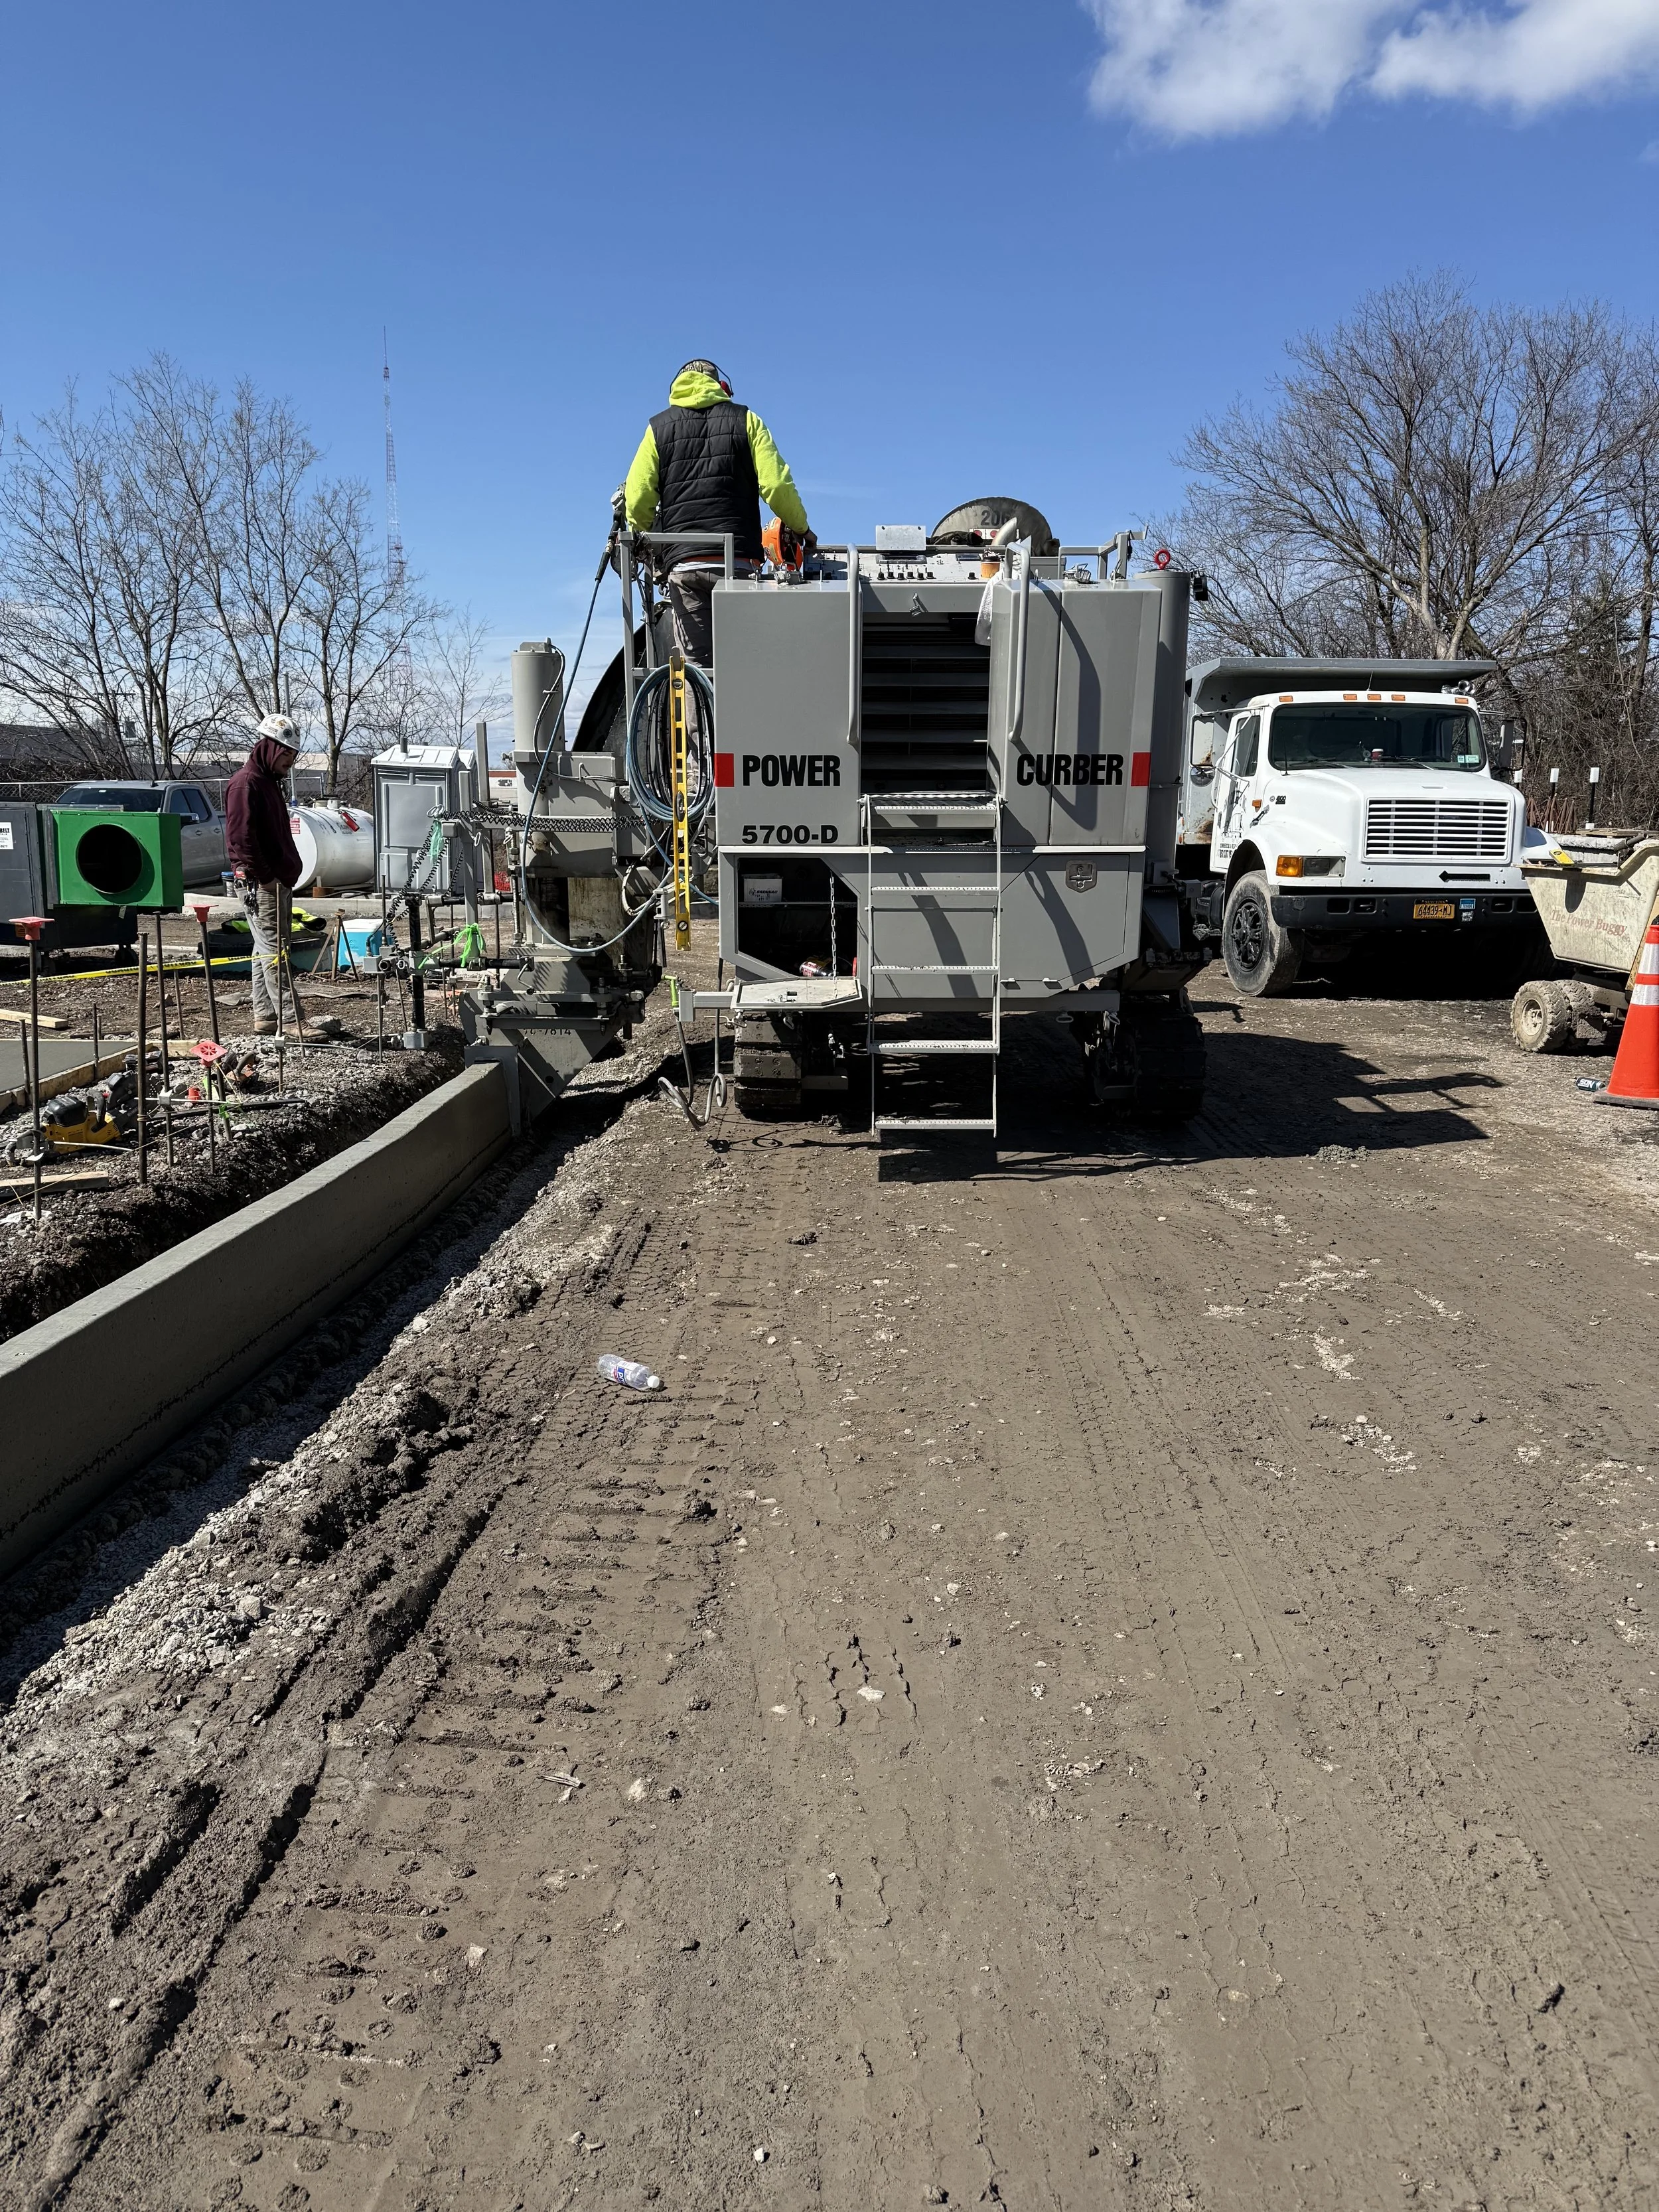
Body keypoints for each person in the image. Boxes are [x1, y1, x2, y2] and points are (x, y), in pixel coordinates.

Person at [624, 360, 813, 668]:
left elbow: (638, 497)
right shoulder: (747, 420)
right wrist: (801, 528)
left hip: (684, 565)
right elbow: (777, 485)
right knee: (742, 671)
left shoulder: (657, 428)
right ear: (722, 387)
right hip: (736, 564)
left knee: (697, 674)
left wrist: (643, 531)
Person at [224, 713, 303, 1037]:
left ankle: (266, 1015)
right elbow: (241, 839)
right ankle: (292, 1019)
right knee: (274, 949)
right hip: (262, 882)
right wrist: (266, 877)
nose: (291, 763)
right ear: (272, 748)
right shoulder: (246, 784)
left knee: (264, 948)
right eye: (288, 755)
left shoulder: (267, 783)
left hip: (275, 879)